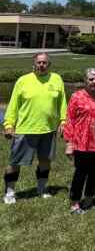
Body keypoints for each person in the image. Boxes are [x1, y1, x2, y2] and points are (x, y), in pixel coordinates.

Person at [3, 52, 67, 204]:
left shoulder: (56, 79)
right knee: (15, 162)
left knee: (45, 161)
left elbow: (62, 103)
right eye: (39, 62)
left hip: (48, 130)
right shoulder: (23, 81)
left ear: (49, 65)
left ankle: (41, 188)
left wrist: (64, 121)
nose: (42, 65)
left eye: (45, 63)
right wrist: (9, 124)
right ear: (34, 64)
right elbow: (13, 104)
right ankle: (10, 192)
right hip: (26, 129)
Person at [63, 68, 95, 213]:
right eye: (91, 79)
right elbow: (69, 120)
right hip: (81, 142)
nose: (94, 82)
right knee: (81, 173)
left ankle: (89, 199)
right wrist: (69, 143)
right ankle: (75, 202)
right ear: (85, 80)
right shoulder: (77, 96)